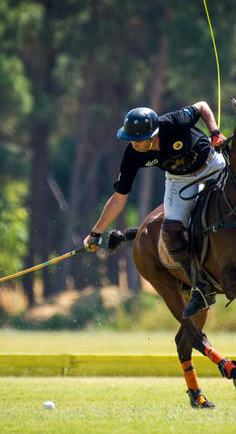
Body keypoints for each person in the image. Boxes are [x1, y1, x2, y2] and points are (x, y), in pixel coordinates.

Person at [83, 101, 228, 318]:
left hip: (212, 165)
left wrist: (214, 132)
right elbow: (119, 198)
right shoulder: (132, 155)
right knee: (171, 231)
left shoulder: (173, 122)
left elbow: (202, 106)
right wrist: (96, 233)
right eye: (130, 139)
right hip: (179, 180)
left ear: (153, 135)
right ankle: (201, 287)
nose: (133, 144)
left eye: (138, 140)